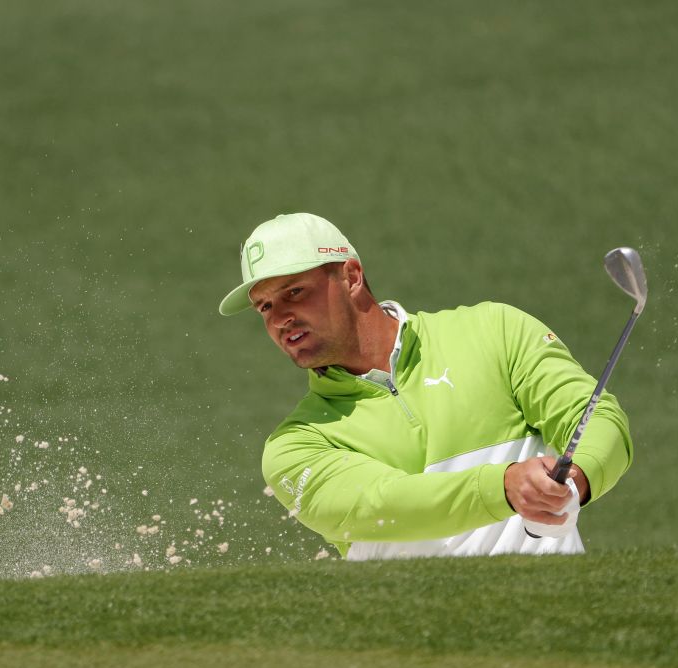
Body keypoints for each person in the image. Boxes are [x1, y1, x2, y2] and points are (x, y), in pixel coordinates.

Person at [218, 213, 632, 559]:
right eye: (265, 306)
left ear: (351, 276)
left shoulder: (494, 331)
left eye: (294, 292)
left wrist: (576, 478)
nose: (279, 318)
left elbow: (596, 416)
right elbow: (380, 504)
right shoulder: (293, 447)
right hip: (420, 648)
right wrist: (503, 488)